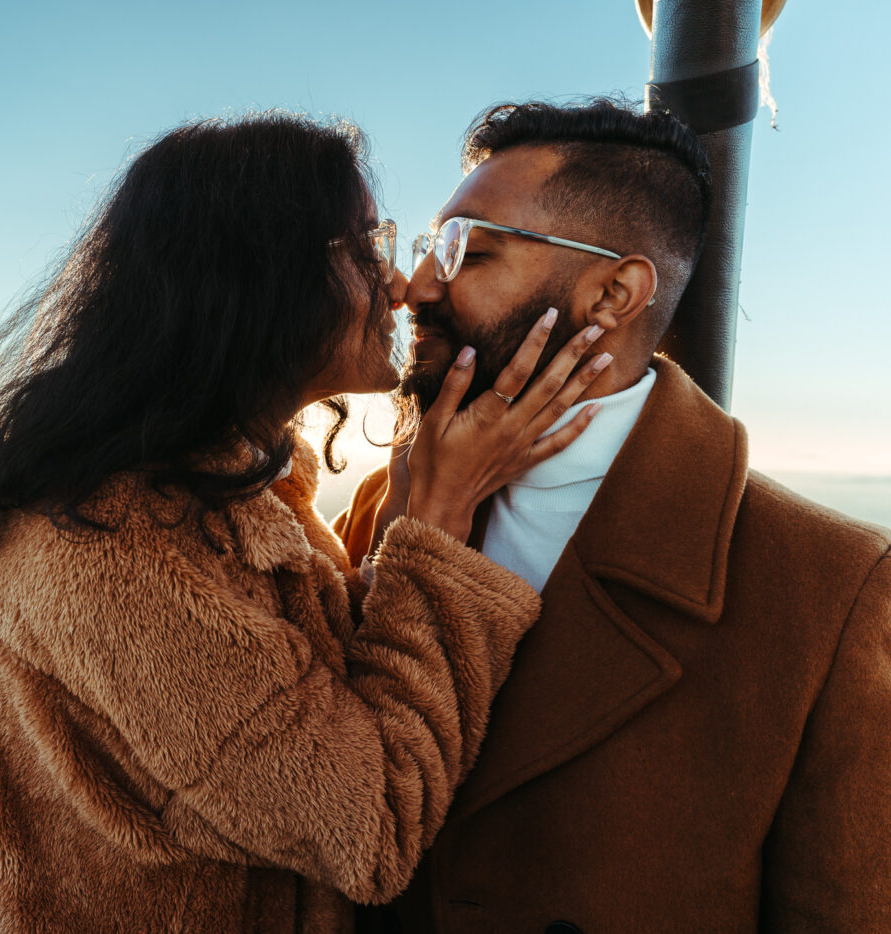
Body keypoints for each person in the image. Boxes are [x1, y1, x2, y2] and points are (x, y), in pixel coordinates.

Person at [0, 112, 613, 932]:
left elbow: (302, 688)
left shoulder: (232, 489)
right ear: (261, 276)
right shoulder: (106, 543)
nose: (401, 287)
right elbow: (372, 830)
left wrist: (415, 495)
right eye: (367, 249)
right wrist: (441, 523)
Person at [335, 99, 891, 931]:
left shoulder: (828, 583)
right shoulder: (394, 500)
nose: (416, 288)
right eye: (428, 249)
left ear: (613, 294)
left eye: (468, 252)